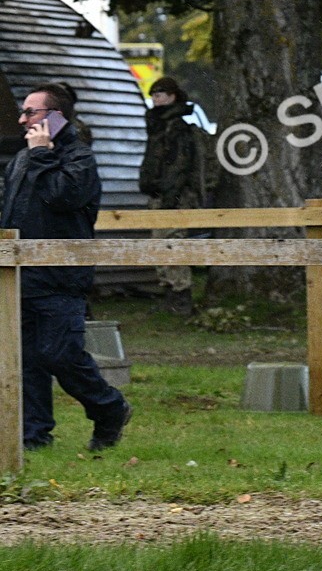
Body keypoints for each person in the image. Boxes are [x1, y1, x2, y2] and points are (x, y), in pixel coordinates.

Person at [1, 82, 133, 452]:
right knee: (27, 361)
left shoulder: (79, 158)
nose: (22, 119)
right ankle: (34, 437)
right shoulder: (22, 159)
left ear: (55, 117)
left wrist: (42, 155)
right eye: (23, 111)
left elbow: (63, 197)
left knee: (61, 354)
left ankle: (109, 408)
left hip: (61, 277)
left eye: (31, 112)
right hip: (22, 275)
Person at [138, 76, 207, 316]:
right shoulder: (159, 126)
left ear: (172, 96)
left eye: (160, 94)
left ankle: (180, 297)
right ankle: (171, 295)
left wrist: (170, 196)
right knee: (161, 246)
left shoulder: (176, 126)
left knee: (172, 245)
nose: (156, 98)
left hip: (173, 198)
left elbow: (179, 166)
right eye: (153, 94)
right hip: (161, 195)